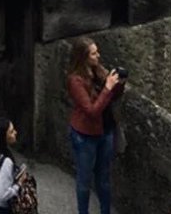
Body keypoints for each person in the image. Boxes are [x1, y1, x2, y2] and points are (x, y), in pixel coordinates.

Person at [67, 38, 123, 214]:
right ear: (83, 57)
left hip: (105, 131)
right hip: (85, 135)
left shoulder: (98, 70)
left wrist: (119, 84)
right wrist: (107, 88)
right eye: (93, 53)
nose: (98, 55)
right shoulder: (75, 80)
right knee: (84, 181)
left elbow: (113, 97)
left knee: (104, 179)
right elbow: (92, 111)